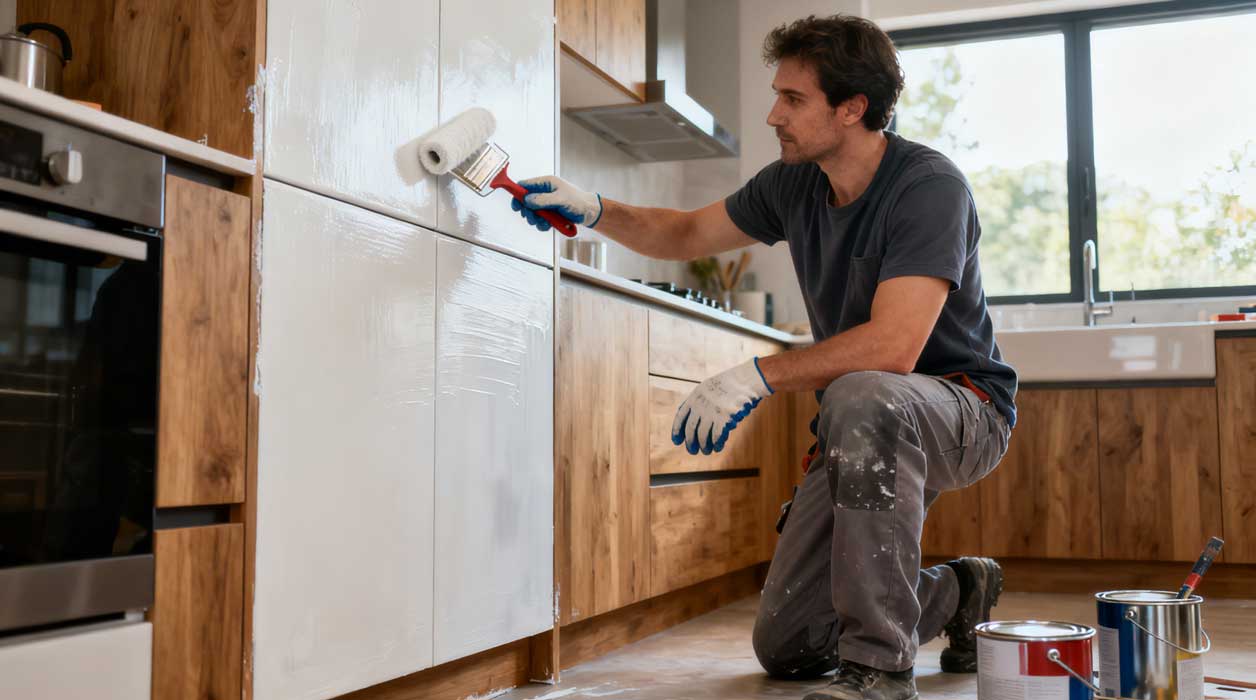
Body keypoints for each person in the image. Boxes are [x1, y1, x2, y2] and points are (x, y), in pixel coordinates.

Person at [512, 13, 1017, 700]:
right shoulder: (793, 184)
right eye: (778, 94)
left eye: (793, 99)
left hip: (964, 407)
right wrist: (593, 207)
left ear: (852, 108)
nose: (774, 114)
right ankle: (958, 591)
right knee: (791, 643)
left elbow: (896, 347)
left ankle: (881, 671)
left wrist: (756, 376)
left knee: (865, 390)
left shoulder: (929, 187)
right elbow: (687, 231)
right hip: (861, 416)